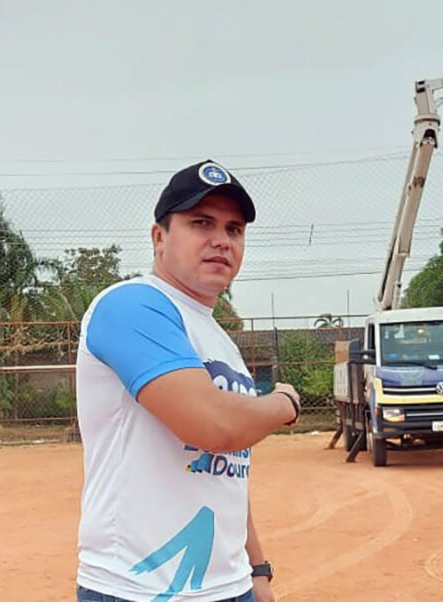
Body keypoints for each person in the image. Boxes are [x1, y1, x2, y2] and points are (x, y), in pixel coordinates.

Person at [75, 160, 301, 602]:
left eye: (234, 229)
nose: (221, 240)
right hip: (141, 588)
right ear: (159, 237)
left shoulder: (219, 340)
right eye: (202, 223)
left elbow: (228, 471)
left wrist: (257, 570)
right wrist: (284, 403)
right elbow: (214, 426)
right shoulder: (131, 306)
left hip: (229, 586)